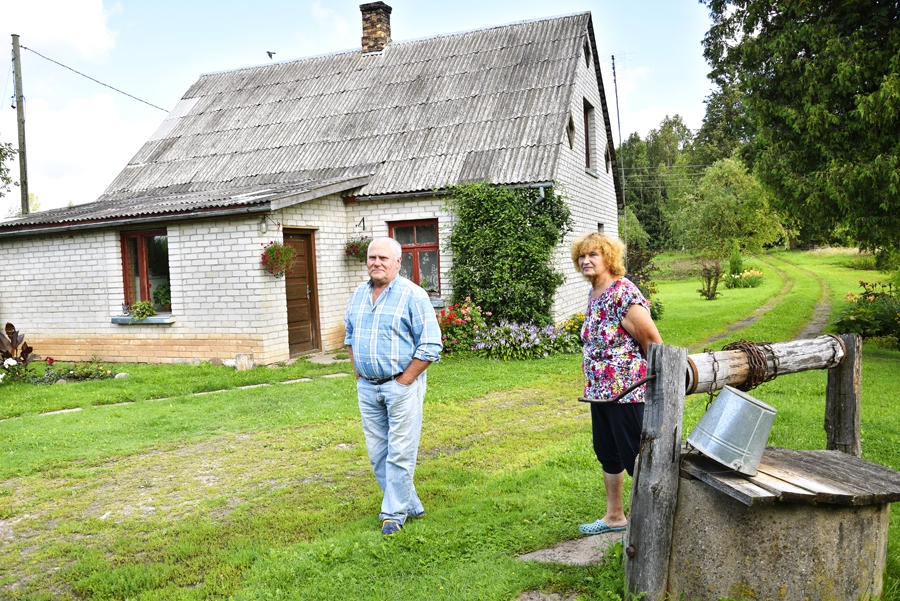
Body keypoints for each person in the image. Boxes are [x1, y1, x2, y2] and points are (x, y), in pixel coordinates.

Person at [344, 237, 443, 536]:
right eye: (372, 257)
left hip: (401, 386)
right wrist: (359, 374)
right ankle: (410, 504)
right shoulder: (359, 295)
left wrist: (404, 381)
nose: (376, 263)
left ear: (398, 262)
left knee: (400, 452)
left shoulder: (413, 295)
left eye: (383, 258)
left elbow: (431, 344)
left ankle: (393, 514)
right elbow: (349, 336)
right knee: (378, 453)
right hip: (368, 388)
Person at [570, 232, 663, 536]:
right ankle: (615, 516)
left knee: (635, 456)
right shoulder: (595, 292)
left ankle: (657, 519)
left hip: (627, 392)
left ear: (608, 258)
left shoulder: (623, 292)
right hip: (600, 392)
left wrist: (660, 383)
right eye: (582, 256)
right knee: (607, 453)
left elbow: (652, 341)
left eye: (593, 255)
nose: (586, 260)